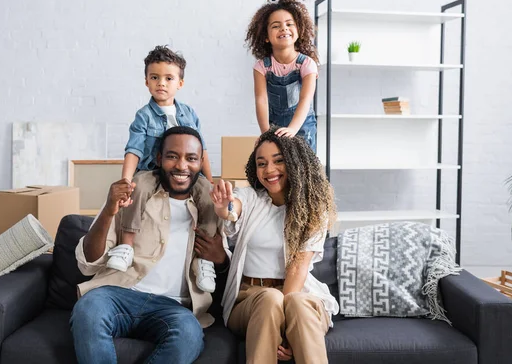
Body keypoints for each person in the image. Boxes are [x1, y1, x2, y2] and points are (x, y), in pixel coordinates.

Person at [71, 127, 230, 364]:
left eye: (191, 158)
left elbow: (230, 274)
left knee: (189, 334)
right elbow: (88, 264)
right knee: (88, 310)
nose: (181, 166)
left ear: (200, 162)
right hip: (118, 294)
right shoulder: (132, 196)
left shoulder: (213, 210)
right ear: (159, 159)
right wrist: (107, 211)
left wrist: (221, 260)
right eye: (172, 156)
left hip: (173, 307)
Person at [211, 127, 338, 364]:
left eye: (278, 161)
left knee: (296, 302)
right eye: (261, 163)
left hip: (298, 296)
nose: (269, 170)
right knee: (270, 298)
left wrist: (289, 331)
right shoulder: (250, 198)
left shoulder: (312, 209)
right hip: (250, 299)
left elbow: (297, 270)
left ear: (294, 163)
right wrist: (224, 208)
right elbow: (233, 209)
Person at [108, 45, 217, 293]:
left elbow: (203, 151)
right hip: (153, 171)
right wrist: (125, 180)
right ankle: (126, 246)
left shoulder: (189, 113)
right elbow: (133, 149)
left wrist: (211, 180)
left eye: (169, 78)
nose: (161, 83)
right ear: (146, 82)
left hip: (187, 175)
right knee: (138, 187)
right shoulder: (143, 116)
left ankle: (203, 260)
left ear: (180, 83)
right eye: (155, 77)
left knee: (209, 199)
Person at [245, 0, 319, 152]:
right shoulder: (262, 67)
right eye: (276, 26)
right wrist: (265, 132)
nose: (284, 28)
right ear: (265, 37)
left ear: (299, 30)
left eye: (289, 24)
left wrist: (293, 129)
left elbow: (305, 100)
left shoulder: (306, 64)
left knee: (303, 167)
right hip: (275, 126)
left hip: (302, 125)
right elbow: (261, 100)